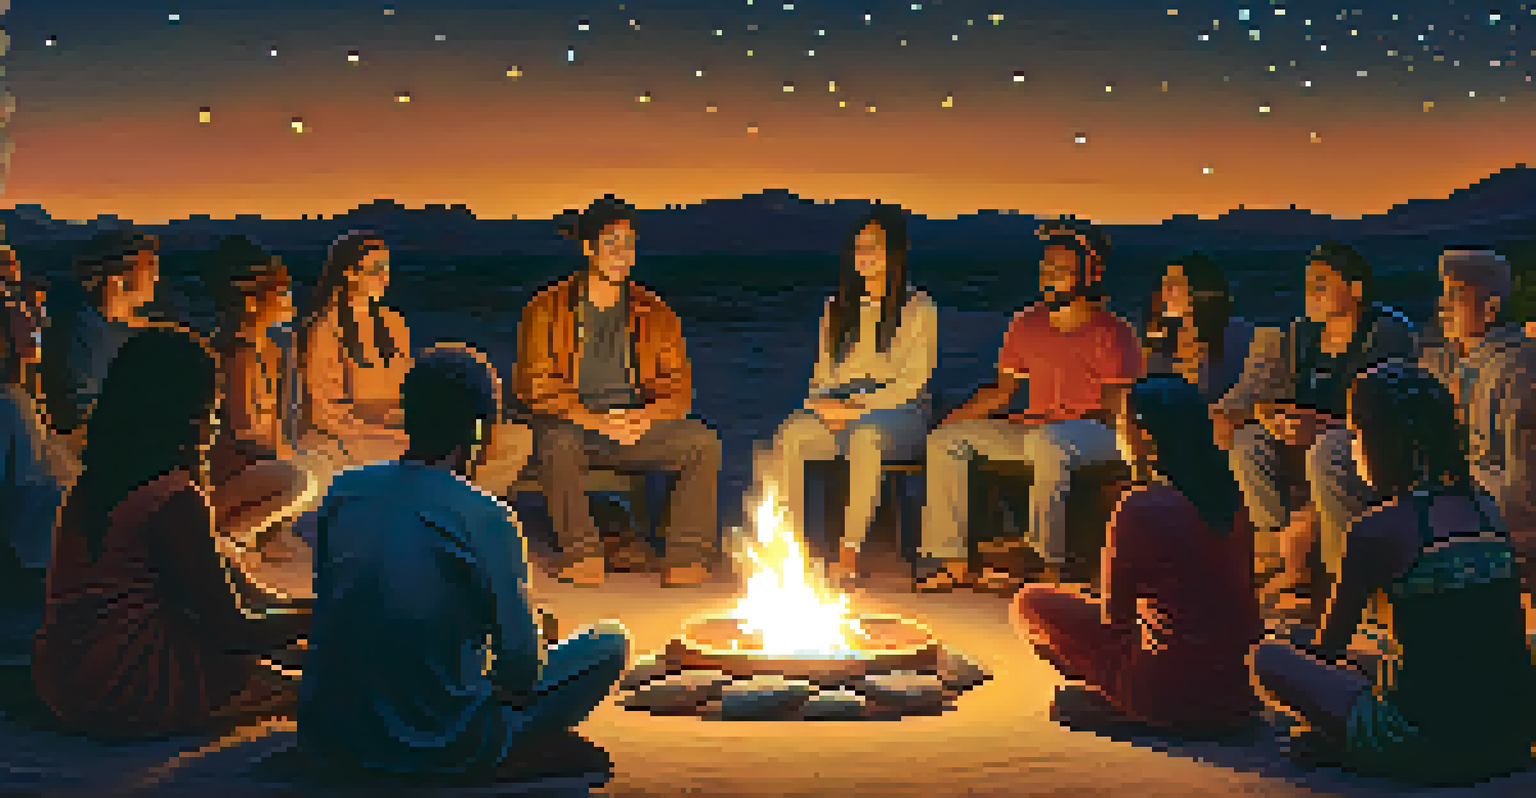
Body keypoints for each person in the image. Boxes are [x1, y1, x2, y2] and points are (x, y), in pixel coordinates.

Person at [298, 344, 629, 783]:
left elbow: (337, 600)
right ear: (478, 431)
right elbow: (519, 669)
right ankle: (494, 752)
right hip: (440, 740)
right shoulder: (486, 515)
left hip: (331, 733)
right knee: (609, 642)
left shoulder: (344, 490)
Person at [1249, 360, 1536, 785]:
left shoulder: (1376, 529)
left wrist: (1291, 640)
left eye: (1354, 432)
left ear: (1375, 439)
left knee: (1268, 658)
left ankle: (1352, 751)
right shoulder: (1484, 507)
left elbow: (1330, 649)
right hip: (1510, 739)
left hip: (1425, 743)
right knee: (1379, 660)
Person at [32, 329, 311, 739]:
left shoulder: (95, 484)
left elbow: (245, 596)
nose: (217, 424)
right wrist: (327, 618)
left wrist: (306, 613)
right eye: (213, 409)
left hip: (63, 674)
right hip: (126, 685)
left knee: (295, 653)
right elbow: (233, 629)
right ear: (188, 416)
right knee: (313, 690)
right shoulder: (174, 501)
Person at [1012, 376, 1264, 735]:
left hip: (1164, 688)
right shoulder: (1230, 497)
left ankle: (1132, 705)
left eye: (1120, 424)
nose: (1118, 434)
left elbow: (1115, 618)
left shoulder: (1140, 505)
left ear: (1144, 435)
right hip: (1240, 689)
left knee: (1030, 603)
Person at [915, 217, 1142, 590]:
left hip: (1097, 433)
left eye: (1061, 269)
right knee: (947, 442)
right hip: (1038, 429)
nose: (1050, 276)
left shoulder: (1112, 331)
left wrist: (1138, 460)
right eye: (1046, 268)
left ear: (1089, 274)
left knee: (1048, 442)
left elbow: (1119, 404)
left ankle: (1045, 563)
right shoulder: (1025, 324)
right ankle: (953, 560)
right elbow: (1001, 392)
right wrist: (949, 422)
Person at [516, 195, 723, 588]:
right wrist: (594, 419)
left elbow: (678, 391)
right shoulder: (546, 308)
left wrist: (642, 417)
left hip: (635, 425)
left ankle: (686, 556)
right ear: (588, 247)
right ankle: (583, 555)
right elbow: (534, 385)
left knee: (701, 443)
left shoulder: (655, 312)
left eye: (628, 244)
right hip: (576, 424)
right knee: (556, 444)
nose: (622, 253)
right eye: (612, 242)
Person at [1212, 242, 1418, 608]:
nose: (1311, 294)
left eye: (1322, 284)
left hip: (1364, 439)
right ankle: (1278, 555)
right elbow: (1272, 388)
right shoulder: (1302, 335)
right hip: (1304, 432)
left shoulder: (1384, 334)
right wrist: (1258, 413)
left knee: (1326, 451)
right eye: (1308, 284)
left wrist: (1322, 424)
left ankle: (1347, 579)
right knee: (1247, 441)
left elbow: (1387, 412)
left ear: (1355, 290)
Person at [747, 204, 938, 583]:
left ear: (895, 253)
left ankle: (848, 552)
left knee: (867, 438)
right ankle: (790, 549)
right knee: (791, 435)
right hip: (842, 405)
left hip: (899, 411)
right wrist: (820, 405)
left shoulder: (918, 308)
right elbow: (821, 376)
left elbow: (912, 383)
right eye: (860, 247)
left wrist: (857, 407)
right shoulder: (836, 309)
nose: (865, 255)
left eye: (875, 246)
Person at [1421, 248, 1536, 594]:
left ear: (1490, 308)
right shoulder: (1460, 363)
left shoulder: (1516, 370)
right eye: (1442, 297)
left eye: (1455, 296)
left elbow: (1519, 483)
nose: (1443, 307)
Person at [207, 236, 317, 557]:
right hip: (228, 470)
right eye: (281, 293)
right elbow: (242, 433)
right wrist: (284, 454)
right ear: (251, 301)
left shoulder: (265, 349)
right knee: (300, 480)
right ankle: (228, 545)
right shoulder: (236, 352)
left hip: (257, 459)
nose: (289, 301)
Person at [295, 231, 414, 488]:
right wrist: (389, 432)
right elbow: (324, 415)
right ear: (349, 274)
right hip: (343, 437)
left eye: (387, 269)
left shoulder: (395, 323)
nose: (384, 278)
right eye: (375, 270)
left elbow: (406, 391)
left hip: (389, 428)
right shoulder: (324, 328)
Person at [0, 259, 77, 657]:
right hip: (33, 583)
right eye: (27, 319)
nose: (38, 325)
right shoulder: (8, 406)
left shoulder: (22, 400)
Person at [39, 230, 160, 452]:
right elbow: (86, 414)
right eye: (149, 268)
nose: (155, 278)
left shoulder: (139, 329)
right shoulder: (79, 336)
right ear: (118, 276)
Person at [1142, 252, 1256, 404]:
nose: (1165, 292)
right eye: (1164, 284)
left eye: (1173, 285)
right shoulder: (1164, 337)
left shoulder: (1237, 334)